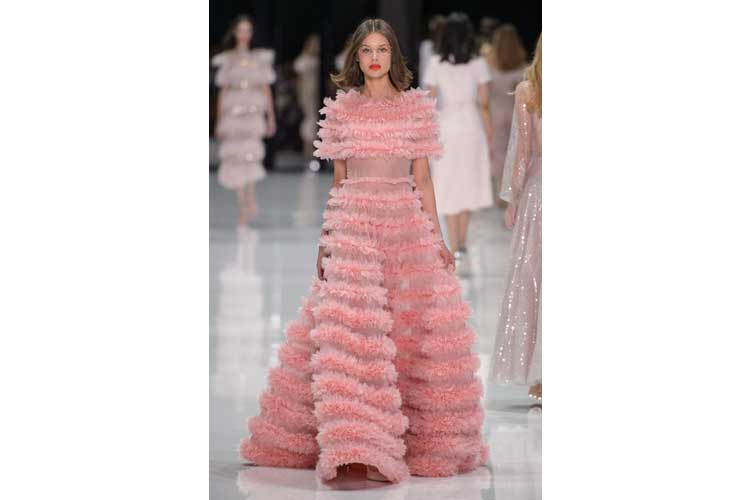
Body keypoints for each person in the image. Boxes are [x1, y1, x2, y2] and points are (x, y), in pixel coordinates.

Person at [238, 18, 488, 484]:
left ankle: (401, 437)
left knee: (405, 331)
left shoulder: (415, 108)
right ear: (356, 57)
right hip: (355, 227)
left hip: (403, 226)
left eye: (382, 50)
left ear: (394, 56)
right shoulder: (343, 111)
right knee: (353, 336)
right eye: (367, 51)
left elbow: (422, 180)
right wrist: (327, 238)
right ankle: (357, 442)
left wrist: (438, 238)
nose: (375, 58)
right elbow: (339, 181)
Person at [491, 34, 542, 401]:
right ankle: (542, 373)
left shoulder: (530, 91)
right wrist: (514, 198)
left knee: (537, 278)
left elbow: (523, 151)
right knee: (538, 279)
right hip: (541, 195)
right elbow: (521, 149)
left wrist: (513, 197)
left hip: (540, 192)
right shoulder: (528, 91)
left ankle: (541, 375)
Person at [422, 12, 494, 272]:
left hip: (446, 126)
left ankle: (454, 244)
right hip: (471, 125)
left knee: (448, 184)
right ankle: (461, 243)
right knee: (468, 183)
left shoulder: (435, 63)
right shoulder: (478, 63)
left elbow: (429, 104)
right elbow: (484, 103)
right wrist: (490, 136)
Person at [212, 15, 276, 226]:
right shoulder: (228, 59)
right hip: (233, 110)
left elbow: (266, 89)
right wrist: (218, 120)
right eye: (240, 30)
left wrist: (271, 117)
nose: (244, 34)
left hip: (253, 110)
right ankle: (242, 204)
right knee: (236, 156)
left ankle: (250, 198)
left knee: (251, 155)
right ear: (235, 33)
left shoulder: (260, 58)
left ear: (252, 33)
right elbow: (222, 92)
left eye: (247, 30)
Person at [488, 24, 527, 205]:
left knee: (498, 153)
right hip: (516, 114)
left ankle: (500, 192)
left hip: (495, 113)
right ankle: (514, 191)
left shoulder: (489, 66)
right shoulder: (523, 67)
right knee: (516, 152)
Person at [293, 34, 320, 160]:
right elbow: (299, 81)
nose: (315, 47)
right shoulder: (303, 60)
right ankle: (308, 149)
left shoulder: (319, 60)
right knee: (309, 119)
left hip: (317, 94)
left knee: (316, 119)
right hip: (307, 94)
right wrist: (300, 95)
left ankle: (315, 149)